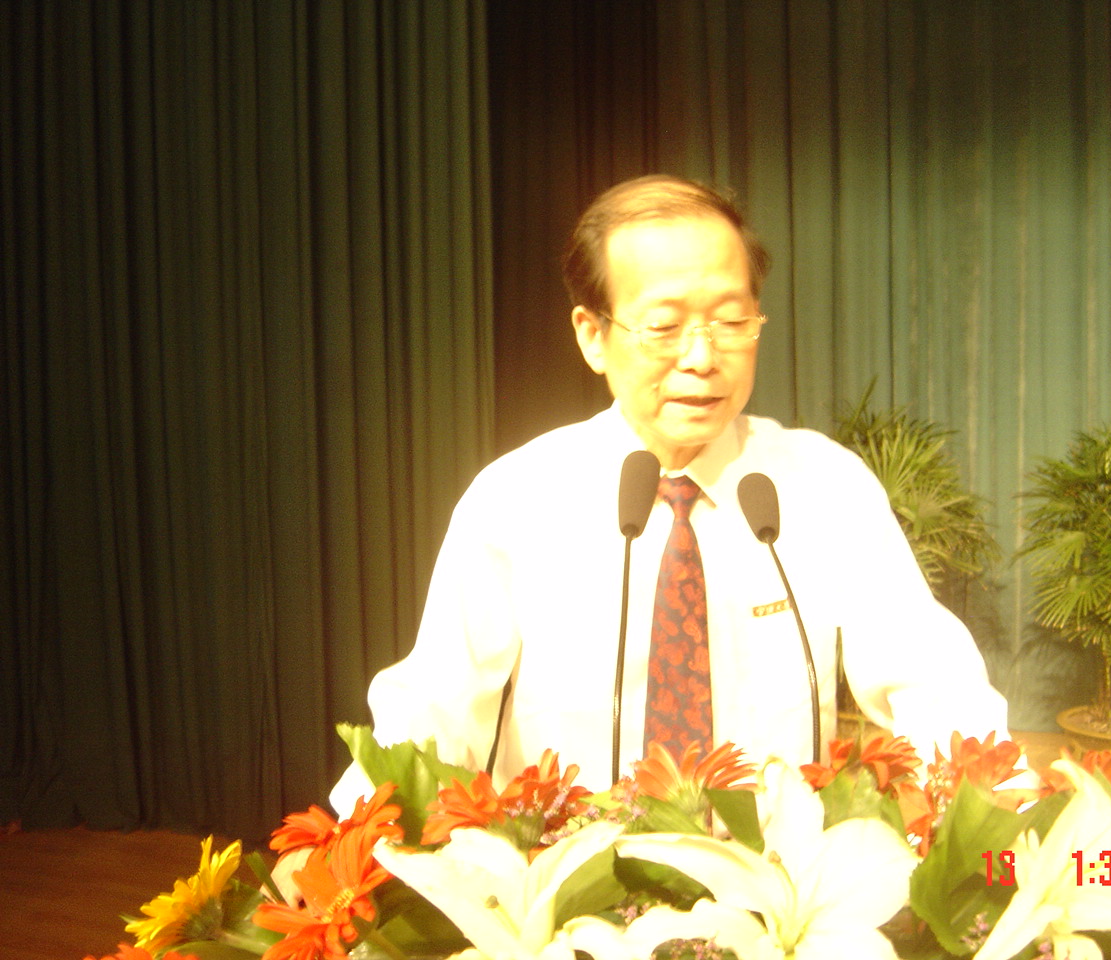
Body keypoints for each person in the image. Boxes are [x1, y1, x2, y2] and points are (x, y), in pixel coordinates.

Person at [328, 174, 1011, 816]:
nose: (702, 357)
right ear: (593, 335)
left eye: (731, 321)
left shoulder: (824, 485)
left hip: (780, 882)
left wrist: (1010, 830)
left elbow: (935, 685)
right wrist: (348, 842)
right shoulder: (516, 500)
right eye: (663, 326)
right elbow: (436, 712)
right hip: (567, 880)